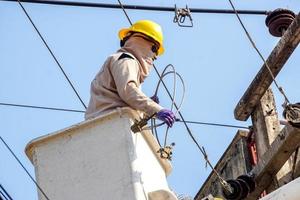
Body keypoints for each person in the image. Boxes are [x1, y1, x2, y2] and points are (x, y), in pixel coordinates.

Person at [85, 20, 176, 127]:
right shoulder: (126, 60)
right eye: (154, 54)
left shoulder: (121, 60)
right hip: (112, 123)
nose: (152, 59)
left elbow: (119, 98)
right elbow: (128, 90)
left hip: (106, 123)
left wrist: (145, 111)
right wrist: (156, 109)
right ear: (150, 46)